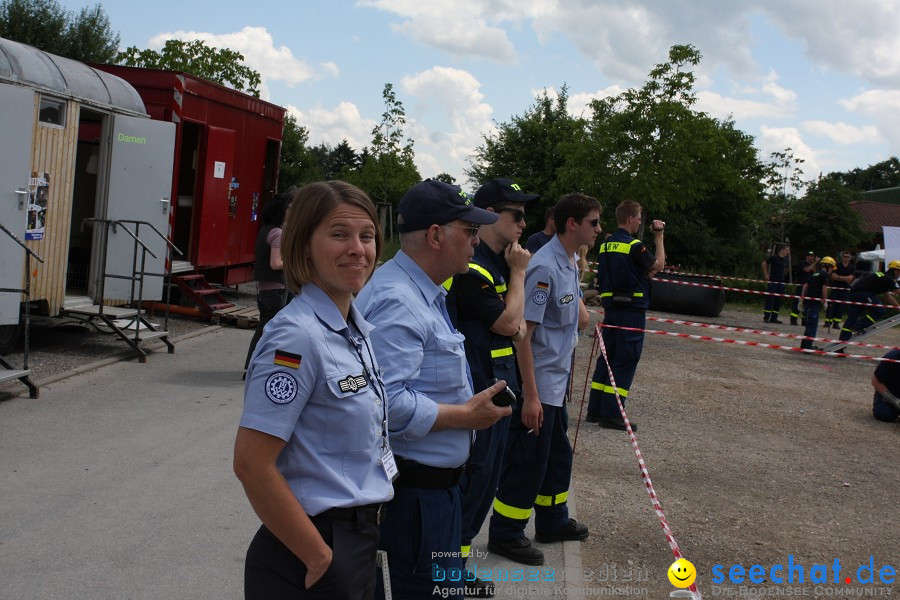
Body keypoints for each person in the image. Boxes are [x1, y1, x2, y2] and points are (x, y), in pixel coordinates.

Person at [234, 181, 393, 600]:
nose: (358, 248)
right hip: (312, 549)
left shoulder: (353, 328)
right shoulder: (296, 337)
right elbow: (252, 464)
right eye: (339, 234)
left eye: (366, 236)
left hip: (356, 538)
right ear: (304, 245)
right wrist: (319, 557)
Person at [355, 179, 512, 600]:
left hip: (433, 495)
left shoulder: (421, 292)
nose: (477, 242)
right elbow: (384, 402)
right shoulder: (399, 300)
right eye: (470, 231)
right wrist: (466, 417)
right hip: (416, 499)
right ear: (436, 235)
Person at [487, 193, 599, 566]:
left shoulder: (570, 262)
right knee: (528, 463)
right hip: (539, 386)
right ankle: (506, 533)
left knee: (556, 458)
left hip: (556, 384)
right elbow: (524, 336)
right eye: (593, 223)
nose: (599, 230)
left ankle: (552, 520)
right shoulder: (545, 267)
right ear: (573, 224)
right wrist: (530, 397)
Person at [445, 178, 535, 596]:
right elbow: (509, 324)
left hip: (498, 386)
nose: (523, 222)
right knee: (473, 481)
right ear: (490, 215)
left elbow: (516, 332)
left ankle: (456, 567)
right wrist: (519, 275)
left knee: (485, 483)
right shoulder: (476, 264)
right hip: (475, 389)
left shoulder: (498, 261)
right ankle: (447, 571)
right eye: (515, 214)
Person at [585, 200, 665, 431]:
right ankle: (612, 414)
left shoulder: (605, 245)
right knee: (625, 360)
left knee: (607, 358)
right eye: (639, 217)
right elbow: (657, 265)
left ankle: (595, 410)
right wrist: (659, 236)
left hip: (611, 309)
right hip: (632, 310)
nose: (640, 220)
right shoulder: (634, 246)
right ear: (630, 219)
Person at [244, 191, 295, 374]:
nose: (293, 210)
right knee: (272, 330)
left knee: (267, 328)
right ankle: (258, 367)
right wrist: (295, 261)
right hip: (275, 289)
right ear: (281, 210)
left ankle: (254, 365)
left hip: (269, 288)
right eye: (290, 207)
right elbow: (276, 263)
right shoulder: (277, 233)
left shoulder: (266, 229)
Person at [838, 261, 900, 346]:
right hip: (863, 293)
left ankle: (840, 345)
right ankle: (859, 325)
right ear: (895, 270)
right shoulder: (889, 279)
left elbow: (888, 296)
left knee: (851, 320)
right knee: (879, 310)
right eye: (899, 271)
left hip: (855, 293)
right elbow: (898, 291)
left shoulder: (883, 276)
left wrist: (898, 307)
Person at [798, 256, 835, 350]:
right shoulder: (824, 274)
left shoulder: (816, 273)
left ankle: (804, 344)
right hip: (813, 303)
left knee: (808, 324)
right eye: (831, 268)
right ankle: (808, 346)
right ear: (828, 266)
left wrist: (802, 299)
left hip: (807, 302)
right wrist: (825, 300)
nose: (831, 271)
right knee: (812, 325)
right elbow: (824, 288)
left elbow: (805, 286)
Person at [761, 244, 790, 324]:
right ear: (782, 250)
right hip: (773, 282)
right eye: (786, 250)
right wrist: (766, 274)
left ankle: (774, 318)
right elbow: (764, 263)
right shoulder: (774, 257)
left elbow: (786, 269)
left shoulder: (786, 260)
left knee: (778, 301)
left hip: (781, 283)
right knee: (770, 299)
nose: (787, 252)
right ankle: (766, 317)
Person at [825, 252, 855, 330]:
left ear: (850, 258)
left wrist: (839, 277)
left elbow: (850, 279)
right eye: (844, 256)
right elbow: (833, 276)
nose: (846, 258)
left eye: (847, 257)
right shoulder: (837, 265)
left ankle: (836, 323)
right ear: (842, 257)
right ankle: (828, 321)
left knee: (841, 307)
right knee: (831, 305)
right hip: (835, 288)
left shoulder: (852, 267)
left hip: (845, 290)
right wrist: (845, 278)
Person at [871, 350, 900, 423]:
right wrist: (895, 401)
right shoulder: (891, 358)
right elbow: (876, 381)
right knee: (884, 415)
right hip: (891, 391)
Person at [790, 251, 818, 326]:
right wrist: (815, 263)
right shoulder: (802, 263)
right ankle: (793, 319)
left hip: (808, 287)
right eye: (810, 256)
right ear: (807, 257)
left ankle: (804, 320)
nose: (812, 257)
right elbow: (807, 270)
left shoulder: (812, 265)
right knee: (798, 302)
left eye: (813, 256)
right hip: (801, 286)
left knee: (806, 304)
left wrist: (814, 267)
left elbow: (815, 274)